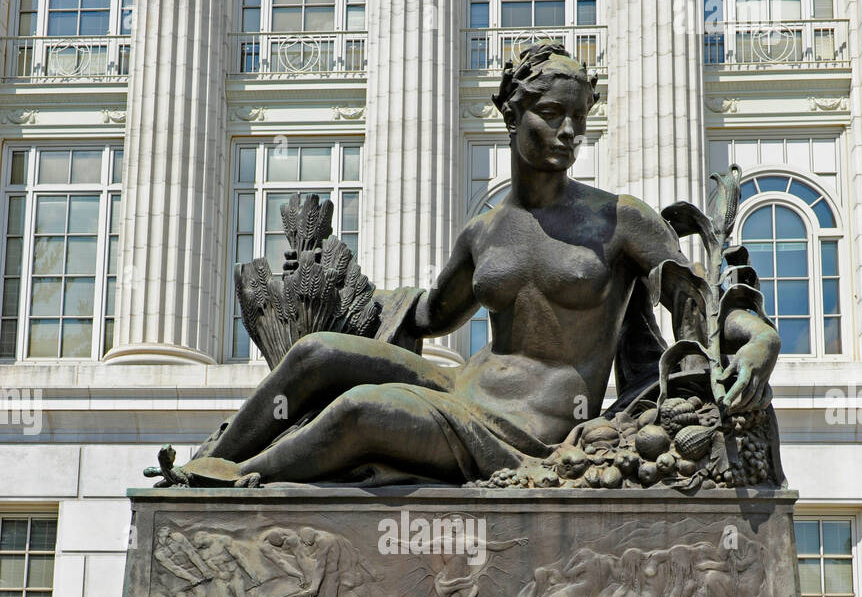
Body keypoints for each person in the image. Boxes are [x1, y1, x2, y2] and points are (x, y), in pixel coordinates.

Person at [184, 43, 779, 488]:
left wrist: (758, 338)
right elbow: (427, 312)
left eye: (580, 118)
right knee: (316, 352)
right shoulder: (485, 230)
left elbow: (694, 307)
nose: (570, 132)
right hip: (459, 386)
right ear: (511, 115)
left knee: (362, 410)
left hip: (526, 431)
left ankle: (235, 482)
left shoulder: (620, 220)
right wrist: (335, 283)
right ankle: (203, 465)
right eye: (552, 113)